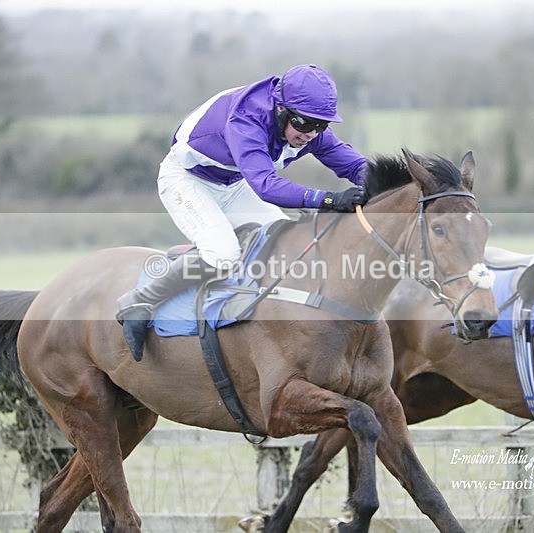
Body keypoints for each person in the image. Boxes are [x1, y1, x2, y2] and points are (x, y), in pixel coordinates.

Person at [116, 64, 370, 361]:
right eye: (304, 123)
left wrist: (397, 185)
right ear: (280, 109)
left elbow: (355, 166)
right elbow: (266, 185)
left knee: (285, 247)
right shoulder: (246, 119)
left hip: (234, 183)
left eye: (321, 125)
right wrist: (329, 200)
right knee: (223, 254)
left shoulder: (308, 127)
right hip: (187, 181)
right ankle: (140, 301)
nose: (311, 134)